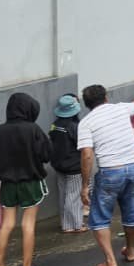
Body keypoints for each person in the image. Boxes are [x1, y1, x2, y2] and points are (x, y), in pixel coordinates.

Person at [78, 84, 134, 266]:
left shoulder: (86, 123)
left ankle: (110, 260)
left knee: (100, 217)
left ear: (86, 104)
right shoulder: (120, 108)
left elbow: (87, 155)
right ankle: (130, 250)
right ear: (106, 97)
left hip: (111, 171)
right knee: (131, 211)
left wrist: (84, 186)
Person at [0, 93, 52, 266]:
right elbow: (46, 154)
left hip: (7, 184)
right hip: (30, 182)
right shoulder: (32, 129)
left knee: (7, 225)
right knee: (28, 224)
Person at [48, 95, 85, 233]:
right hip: (74, 166)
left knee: (63, 194)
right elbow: (82, 145)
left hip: (58, 165)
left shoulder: (55, 125)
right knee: (74, 195)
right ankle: (76, 224)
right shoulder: (74, 127)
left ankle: (65, 224)